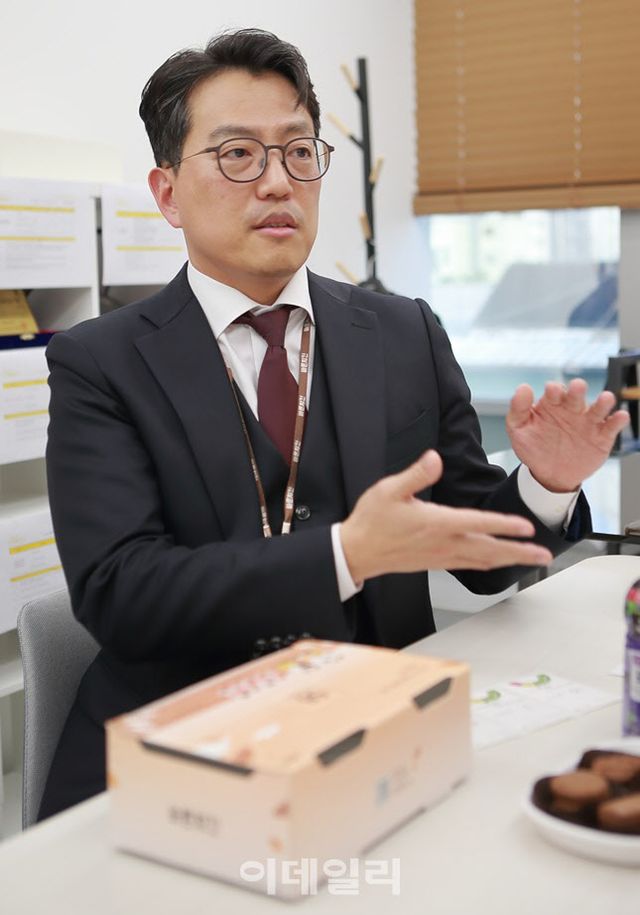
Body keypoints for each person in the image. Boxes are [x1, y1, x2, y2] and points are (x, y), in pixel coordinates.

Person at [39, 28, 628, 820]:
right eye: (238, 155)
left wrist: (547, 484)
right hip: (183, 755)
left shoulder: (404, 332)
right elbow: (123, 593)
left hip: (379, 739)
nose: (277, 181)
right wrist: (347, 554)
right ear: (168, 192)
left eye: (298, 152)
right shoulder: (100, 361)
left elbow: (480, 559)